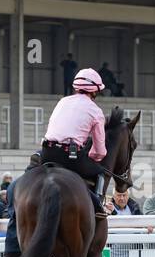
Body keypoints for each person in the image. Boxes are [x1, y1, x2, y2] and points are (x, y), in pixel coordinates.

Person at [39, 66, 108, 217]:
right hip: (70, 158)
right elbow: (99, 152)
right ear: (95, 91)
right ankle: (97, 211)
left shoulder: (62, 101)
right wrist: (93, 158)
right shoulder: (96, 111)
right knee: (100, 173)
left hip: (46, 153)